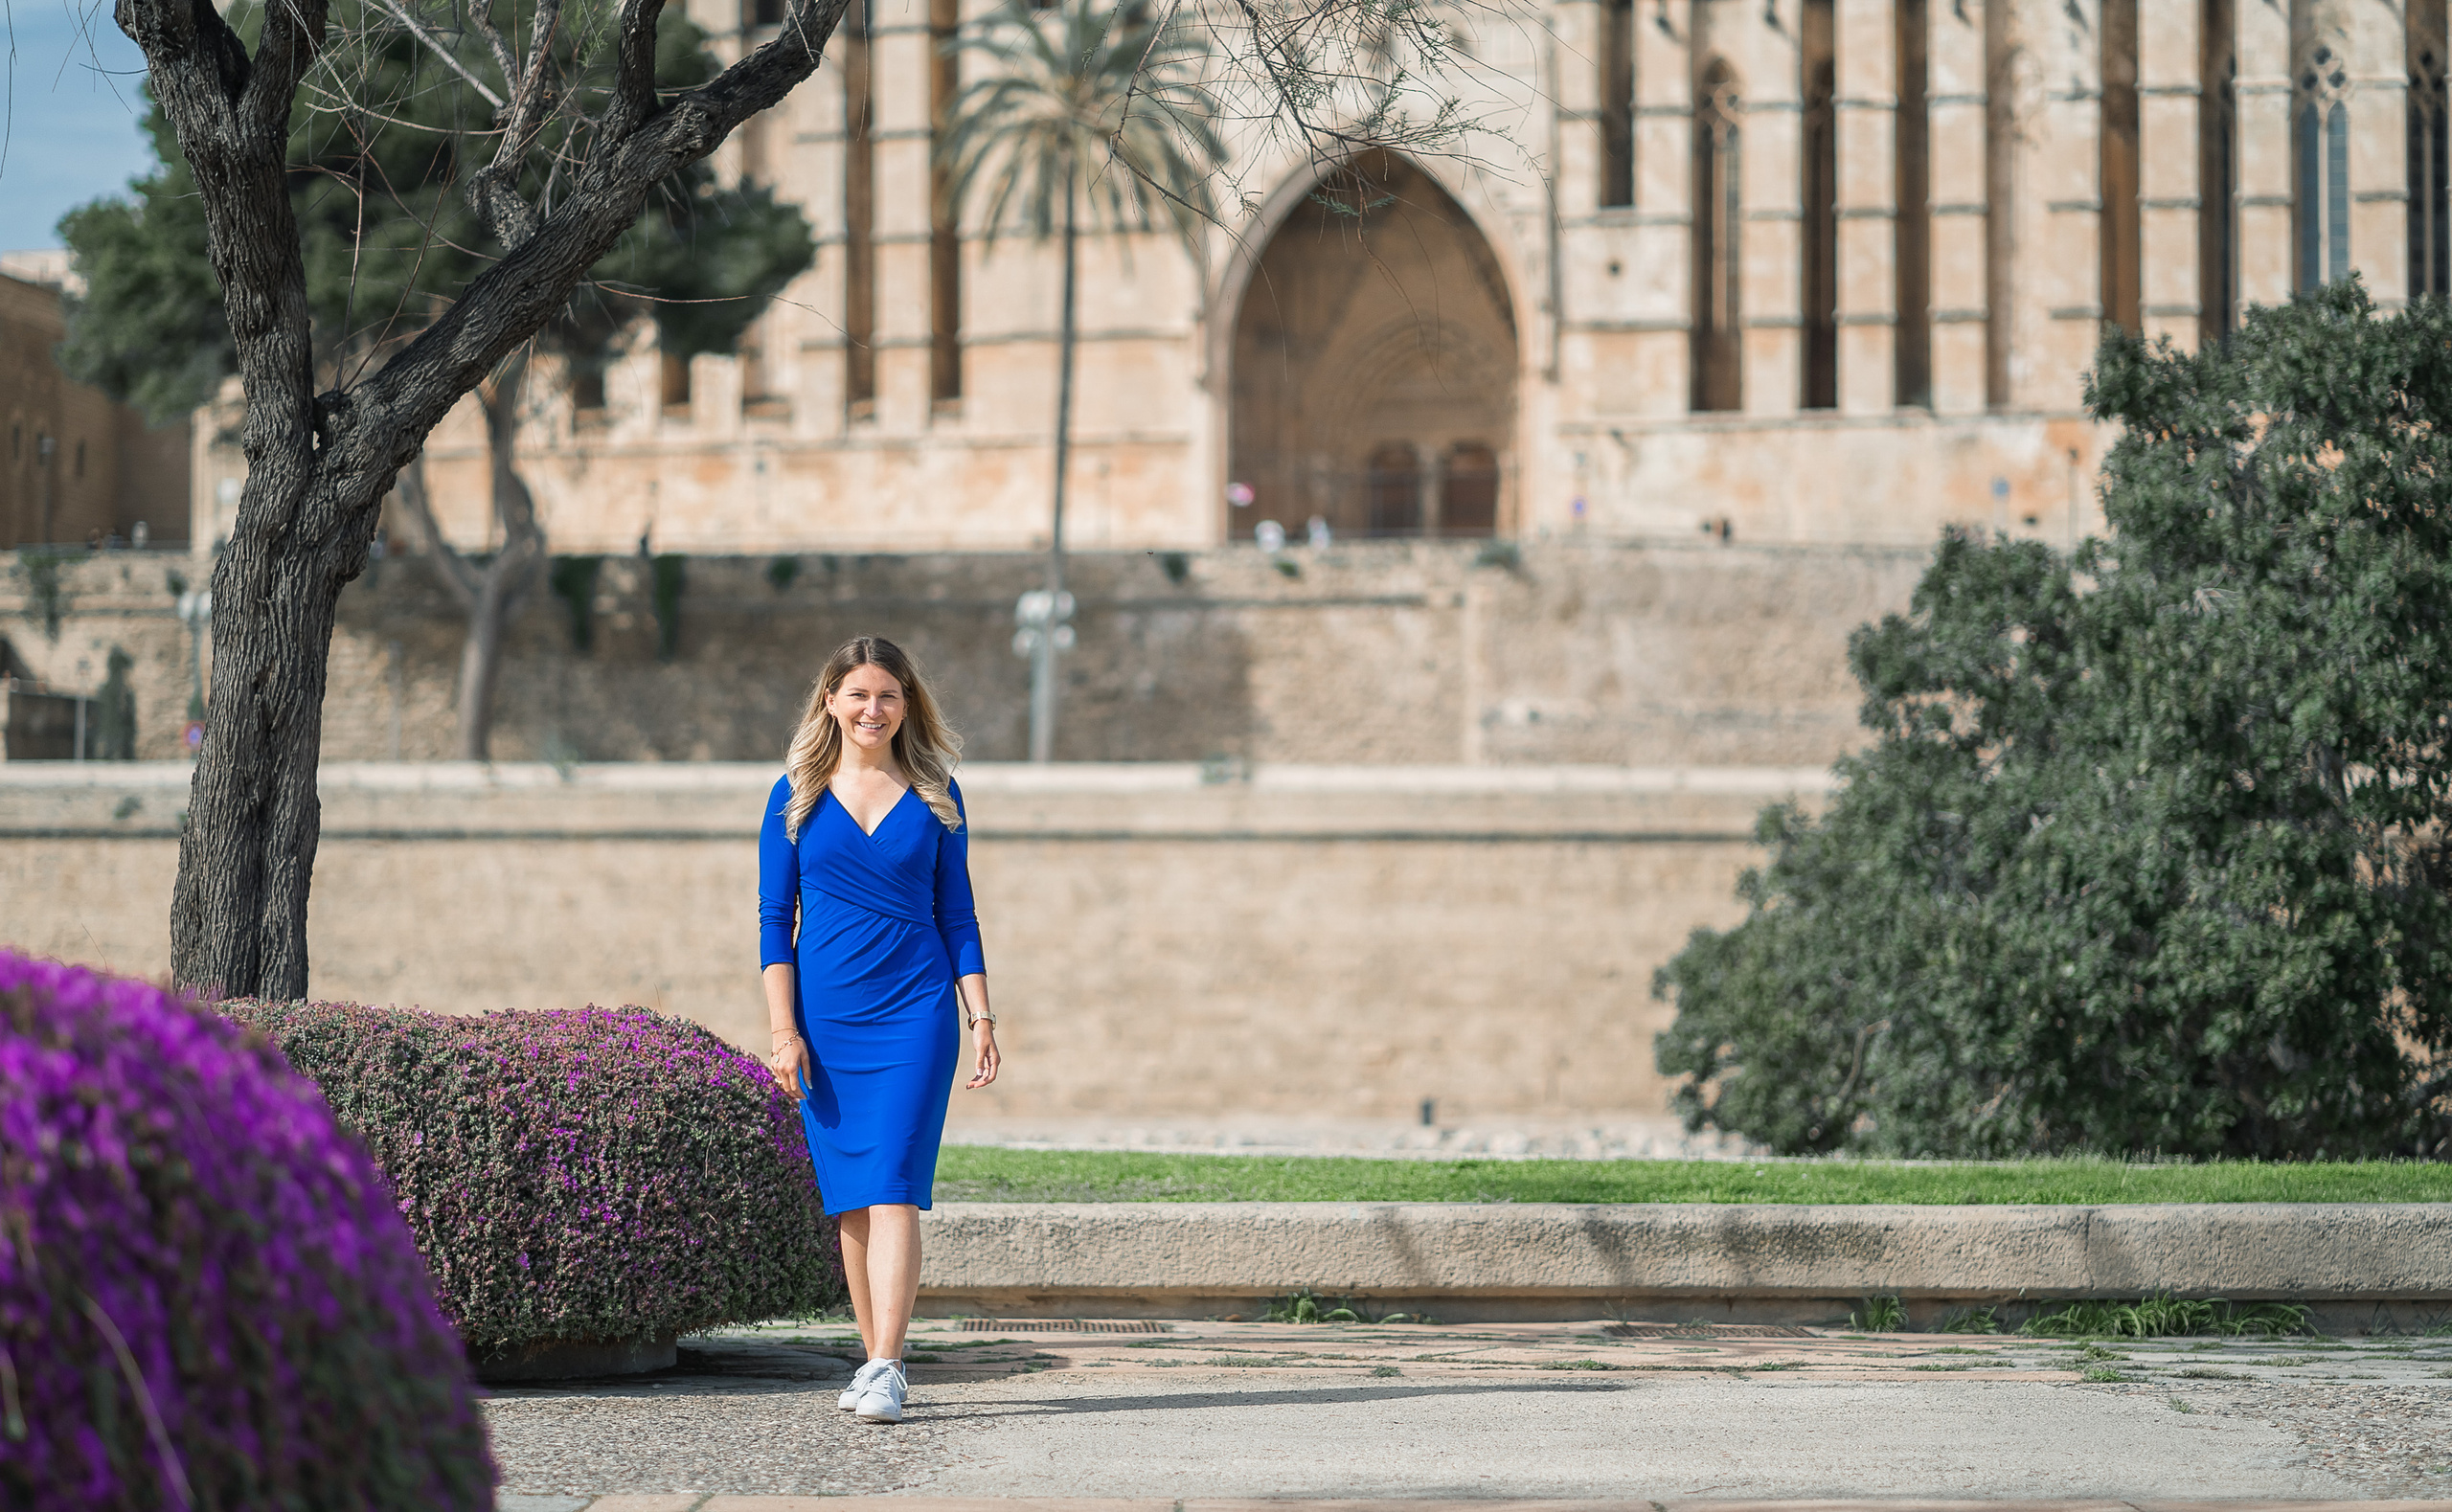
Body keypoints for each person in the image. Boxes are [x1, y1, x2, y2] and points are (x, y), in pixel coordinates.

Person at [758, 636, 1000, 1425]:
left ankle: (890, 1365)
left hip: (915, 1012)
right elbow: (773, 920)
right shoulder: (793, 793)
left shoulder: (936, 791)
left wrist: (980, 1014)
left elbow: (957, 915)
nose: (873, 709)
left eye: (888, 695)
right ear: (830, 699)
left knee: (893, 1185)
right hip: (827, 1020)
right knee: (853, 1200)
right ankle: (873, 1360)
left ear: (908, 704)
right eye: (858, 694)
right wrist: (783, 1030)